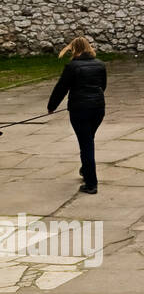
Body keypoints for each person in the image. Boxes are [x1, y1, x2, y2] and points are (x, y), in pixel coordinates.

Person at [47, 36, 107, 194]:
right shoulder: (100, 65)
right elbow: (103, 86)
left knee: (86, 144)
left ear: (73, 49)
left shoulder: (72, 67)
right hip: (98, 108)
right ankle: (86, 169)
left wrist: (51, 106)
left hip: (80, 109)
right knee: (88, 140)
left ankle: (91, 183)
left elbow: (61, 88)